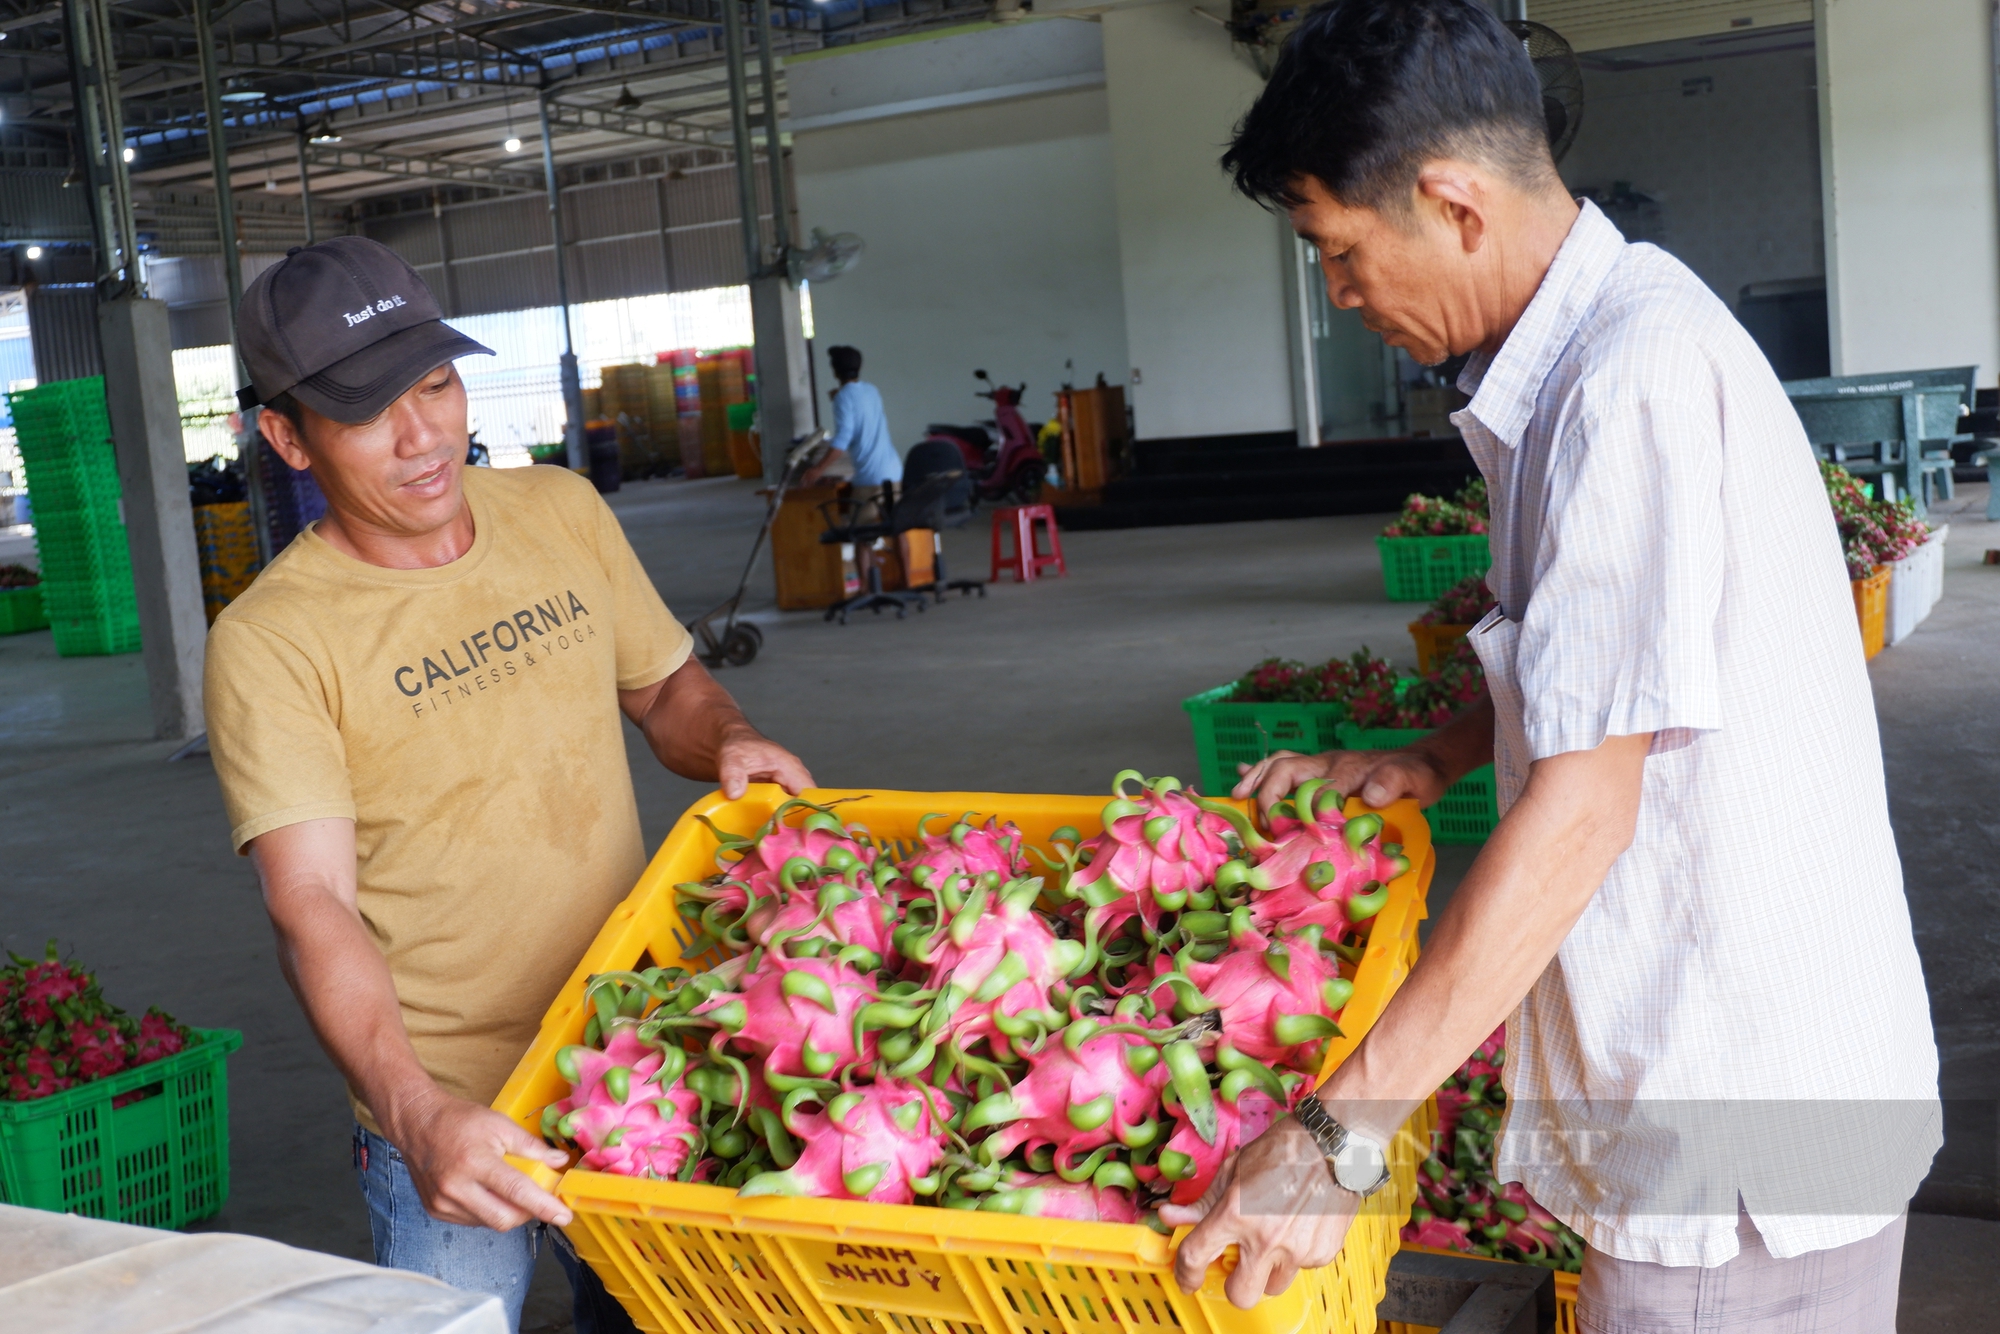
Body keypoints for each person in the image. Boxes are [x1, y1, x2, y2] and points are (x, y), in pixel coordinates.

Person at [1166, 4, 1940, 1330]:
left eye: (1342, 253)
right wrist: (1428, 751)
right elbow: (1599, 663)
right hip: (1738, 1101)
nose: (1342, 297)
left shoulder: (1624, 387)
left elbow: (1586, 807)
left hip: (1739, 1135)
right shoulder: (1578, 366)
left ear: (1455, 205)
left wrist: (1334, 1141)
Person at [204, 237, 814, 1334]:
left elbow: (665, 685)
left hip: (641, 1050)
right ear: (287, 436)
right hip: (452, 1106)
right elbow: (311, 902)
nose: (423, 433)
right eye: (367, 410)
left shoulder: (559, 509)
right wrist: (415, 1110)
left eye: (434, 382)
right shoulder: (271, 641)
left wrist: (731, 736)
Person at [801, 344, 902, 520]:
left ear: (834, 371)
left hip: (871, 478)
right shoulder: (872, 390)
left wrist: (818, 469)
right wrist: (839, 397)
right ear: (859, 368)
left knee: (862, 536)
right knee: (897, 528)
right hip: (893, 471)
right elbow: (859, 409)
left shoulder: (843, 397)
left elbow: (842, 439)